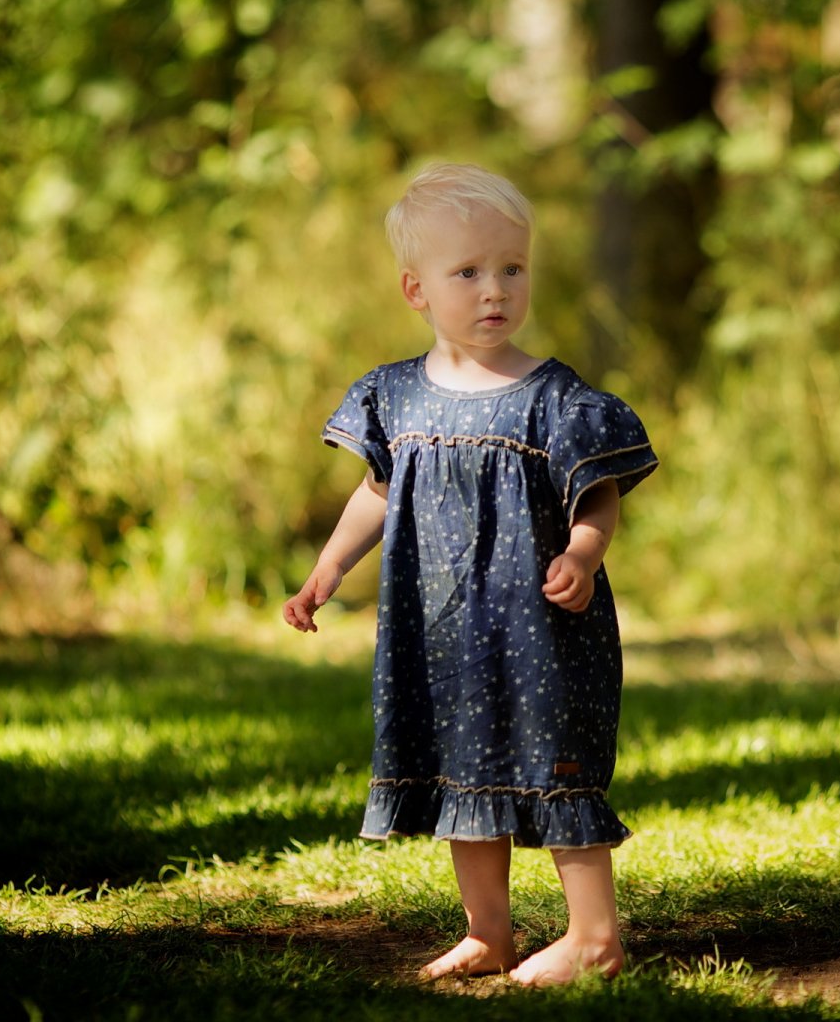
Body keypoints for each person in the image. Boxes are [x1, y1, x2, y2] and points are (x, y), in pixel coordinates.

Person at [281, 163, 657, 985]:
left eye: (512, 269)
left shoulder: (557, 401)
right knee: (465, 771)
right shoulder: (397, 399)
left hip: (544, 634)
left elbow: (597, 498)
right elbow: (376, 493)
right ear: (416, 289)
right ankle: (488, 932)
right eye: (469, 273)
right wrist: (325, 572)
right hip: (442, 629)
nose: (496, 290)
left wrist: (583, 556)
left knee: (556, 765)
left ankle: (595, 938)